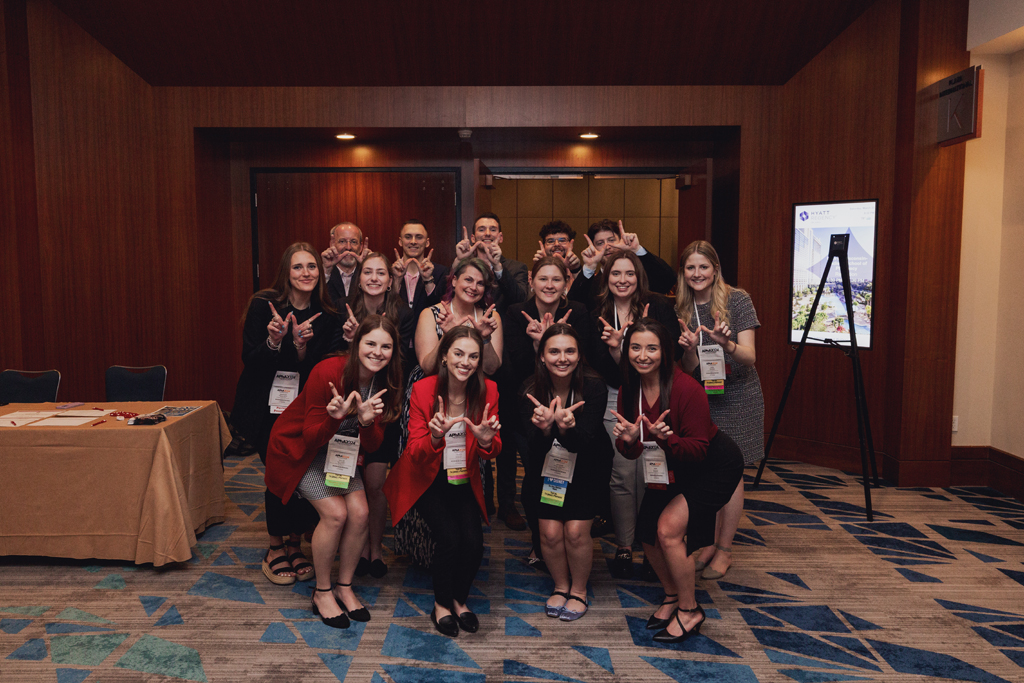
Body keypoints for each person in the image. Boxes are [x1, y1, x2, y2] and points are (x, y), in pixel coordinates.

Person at [264, 315, 402, 629]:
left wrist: (366, 423)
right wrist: (335, 419)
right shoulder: (328, 371)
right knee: (336, 514)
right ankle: (323, 592)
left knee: (361, 512)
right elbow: (311, 436)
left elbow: (374, 442)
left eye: (386, 346)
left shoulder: (385, 382)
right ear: (356, 344)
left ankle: (345, 586)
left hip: (338, 455)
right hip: (299, 452)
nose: (377, 352)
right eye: (370, 343)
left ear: (394, 351)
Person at [610, 318, 743, 643]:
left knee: (668, 531)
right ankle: (671, 596)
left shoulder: (687, 389)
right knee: (647, 533)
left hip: (713, 465)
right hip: (669, 464)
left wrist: (665, 440)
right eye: (636, 347)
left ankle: (689, 609)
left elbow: (698, 449)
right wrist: (628, 440)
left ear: (666, 351)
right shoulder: (630, 389)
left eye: (651, 348)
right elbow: (631, 451)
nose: (643, 355)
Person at [232, 242, 339, 587]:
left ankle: (295, 543)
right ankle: (275, 547)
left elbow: (320, 371)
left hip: (305, 411)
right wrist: (275, 341)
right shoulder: (264, 307)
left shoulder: (327, 314)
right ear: (286, 273)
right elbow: (252, 360)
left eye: (311, 266)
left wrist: (302, 347)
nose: (306, 273)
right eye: (298, 267)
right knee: (280, 471)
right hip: (265, 408)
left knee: (306, 468)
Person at [384, 326, 501, 638]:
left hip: (462, 475)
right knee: (449, 537)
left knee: (474, 543)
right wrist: (436, 436)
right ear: (445, 356)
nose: (466, 362)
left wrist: (488, 443)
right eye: (459, 354)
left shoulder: (488, 390)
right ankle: (441, 605)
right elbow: (414, 451)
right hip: (424, 476)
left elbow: (492, 448)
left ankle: (459, 599)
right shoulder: (423, 389)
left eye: (473, 356)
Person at [589, 249, 681, 579]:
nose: (622, 280)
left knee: (652, 473)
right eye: (616, 274)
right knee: (622, 474)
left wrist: (630, 343)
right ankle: (625, 545)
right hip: (618, 397)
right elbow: (601, 364)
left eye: (629, 273)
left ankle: (650, 544)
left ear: (638, 276)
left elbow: (674, 351)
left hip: (657, 396)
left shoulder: (659, 306)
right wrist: (616, 350)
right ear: (607, 277)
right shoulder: (598, 311)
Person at [676, 240, 765, 580]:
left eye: (703, 267)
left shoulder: (737, 299)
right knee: (706, 471)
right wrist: (689, 350)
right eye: (690, 267)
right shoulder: (681, 307)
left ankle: (725, 549)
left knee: (731, 470)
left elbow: (749, 356)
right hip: (702, 398)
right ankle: (710, 542)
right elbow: (687, 368)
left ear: (715, 269)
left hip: (738, 395)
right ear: (683, 272)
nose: (697, 274)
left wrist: (726, 343)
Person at [520, 324, 611, 620]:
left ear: (579, 355)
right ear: (542, 356)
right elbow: (529, 450)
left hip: (587, 467)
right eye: (554, 351)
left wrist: (564, 428)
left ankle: (579, 591)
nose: (563, 358)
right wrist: (545, 431)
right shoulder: (530, 390)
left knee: (574, 532)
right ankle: (560, 586)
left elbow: (585, 441)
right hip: (547, 470)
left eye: (570, 351)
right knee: (548, 533)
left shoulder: (594, 387)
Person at [506, 256, 592, 558]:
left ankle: (570, 538)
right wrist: (538, 348)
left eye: (557, 279)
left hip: (571, 405)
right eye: (543, 278)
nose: (549, 285)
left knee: (572, 471)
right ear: (531, 280)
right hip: (529, 405)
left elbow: (583, 358)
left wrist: (555, 347)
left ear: (567, 282)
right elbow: (514, 366)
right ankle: (541, 542)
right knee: (535, 475)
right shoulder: (517, 313)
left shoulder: (578, 312)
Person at [339, 252, 416, 578]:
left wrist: (375, 340)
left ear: (390, 279)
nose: (373, 278)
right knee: (342, 477)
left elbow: (409, 361)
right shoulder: (343, 312)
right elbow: (335, 364)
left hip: (387, 403)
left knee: (375, 482)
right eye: (367, 272)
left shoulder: (404, 312)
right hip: (348, 406)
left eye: (380, 273)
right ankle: (349, 545)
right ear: (359, 278)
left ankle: (375, 546)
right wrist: (350, 341)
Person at [453, 212, 528, 525]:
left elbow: (521, 299)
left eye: (492, 229)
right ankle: (481, 495)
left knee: (503, 436)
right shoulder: (463, 266)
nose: (485, 233)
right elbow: (452, 295)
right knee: (468, 433)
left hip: (504, 361)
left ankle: (507, 502)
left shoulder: (514, 267)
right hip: (466, 363)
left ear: (500, 235)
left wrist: (497, 267)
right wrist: (461, 262)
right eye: (480, 229)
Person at [569, 219, 677, 305]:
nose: (607, 246)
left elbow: (668, 279)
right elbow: (574, 304)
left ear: (621, 240)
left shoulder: (638, 275)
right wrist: (589, 266)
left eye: (611, 240)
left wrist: (637, 249)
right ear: (593, 247)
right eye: (600, 243)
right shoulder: (591, 282)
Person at [391, 220, 449, 322]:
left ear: (427, 243)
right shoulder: (390, 272)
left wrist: (428, 280)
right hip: (397, 334)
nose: (413, 241)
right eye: (408, 237)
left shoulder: (441, 272)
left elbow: (441, 309)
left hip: (428, 333)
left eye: (419, 237)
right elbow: (387, 306)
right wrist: (396, 280)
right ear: (400, 241)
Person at [321, 222, 370, 306]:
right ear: (332, 244)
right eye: (342, 241)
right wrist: (326, 271)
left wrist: (369, 267)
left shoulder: (368, 274)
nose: (348, 247)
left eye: (353, 242)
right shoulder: (323, 273)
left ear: (361, 247)